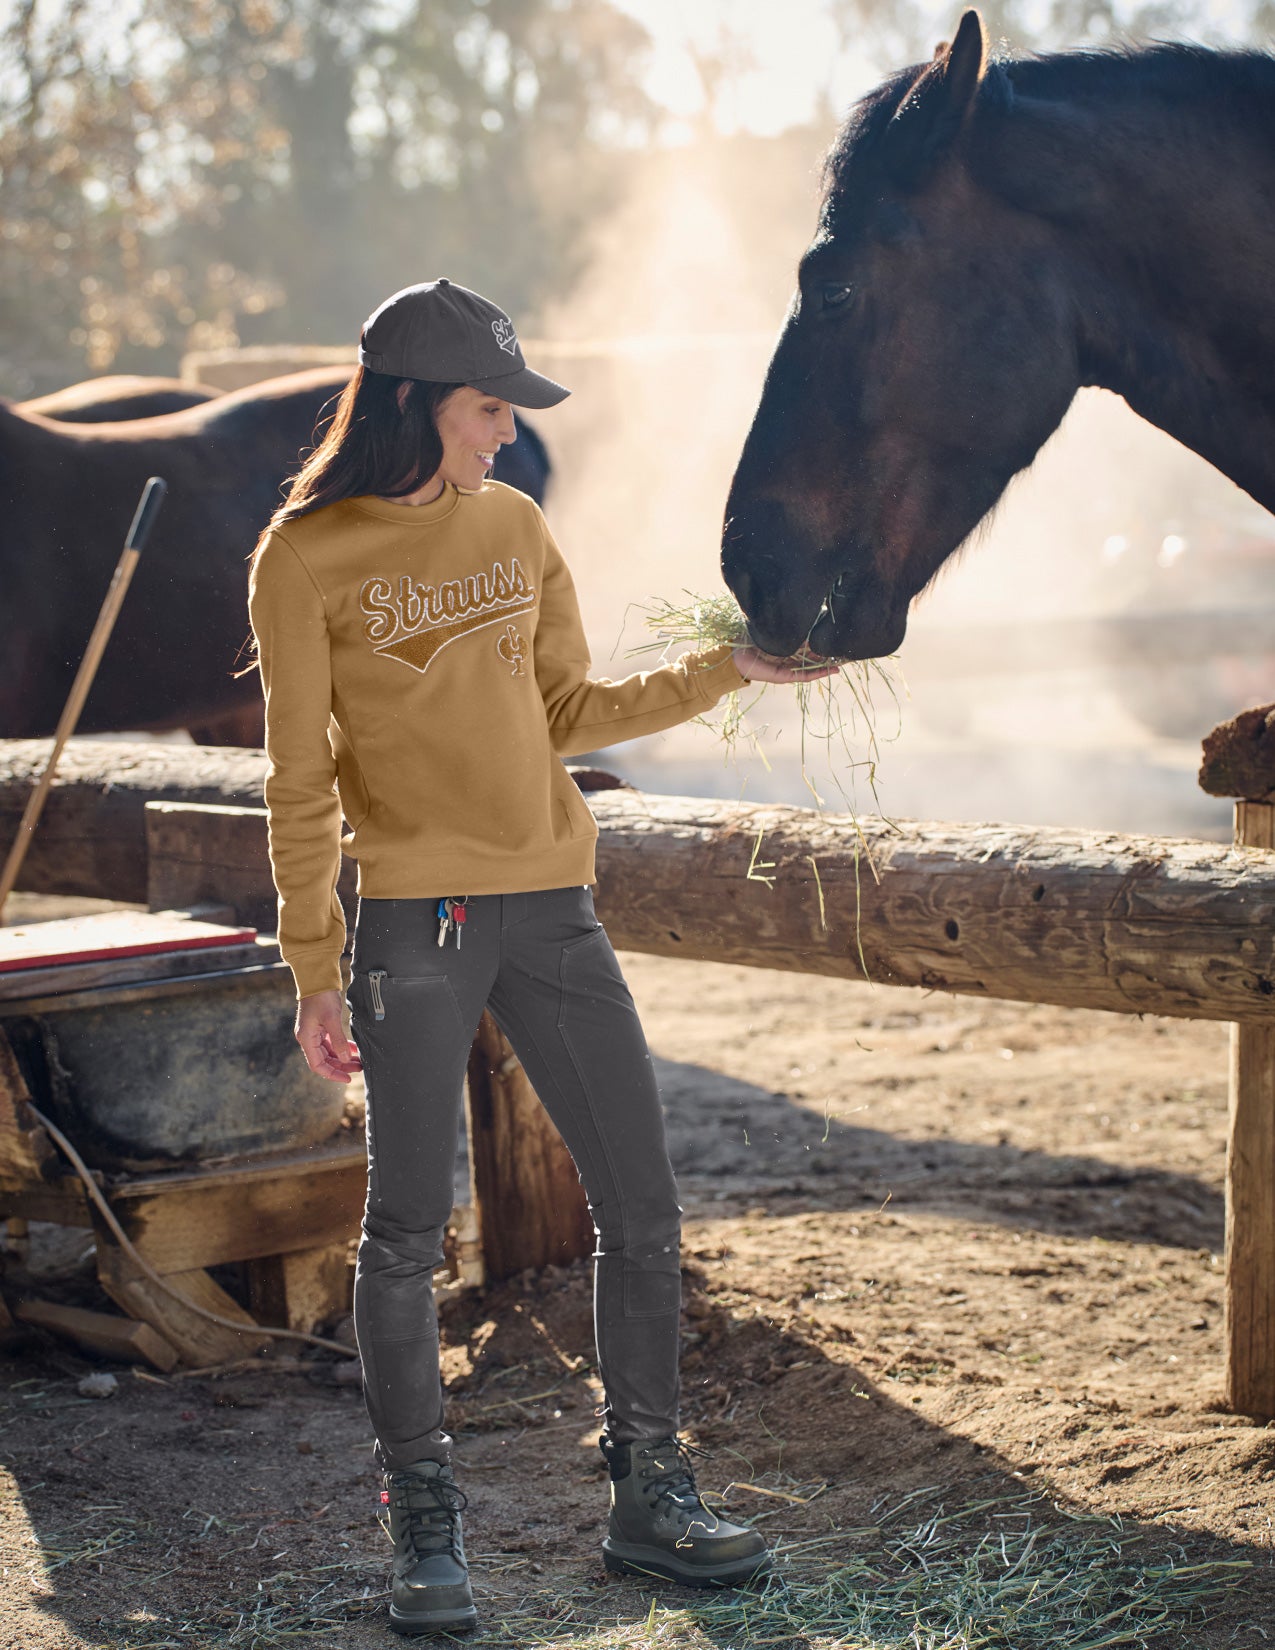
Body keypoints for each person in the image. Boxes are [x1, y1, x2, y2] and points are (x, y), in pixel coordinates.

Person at [248, 278, 837, 1637]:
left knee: (644, 1202)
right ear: (414, 407)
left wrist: (729, 665)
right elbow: (296, 780)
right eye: (487, 408)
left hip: (555, 911)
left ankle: (651, 1491)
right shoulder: (303, 556)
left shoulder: (515, 525)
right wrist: (313, 963)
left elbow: (572, 703)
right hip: (416, 925)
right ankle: (424, 1523)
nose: (507, 434)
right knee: (404, 1230)